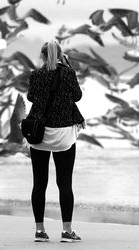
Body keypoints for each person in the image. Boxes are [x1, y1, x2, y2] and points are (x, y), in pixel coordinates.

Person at [26, 40, 85, 243]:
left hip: (39, 134)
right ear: (61, 56)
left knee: (39, 184)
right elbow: (77, 96)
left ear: (42, 56)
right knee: (64, 183)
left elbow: (32, 97)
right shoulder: (67, 73)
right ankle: (66, 231)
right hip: (62, 135)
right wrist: (67, 67)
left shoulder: (36, 75)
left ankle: (40, 231)